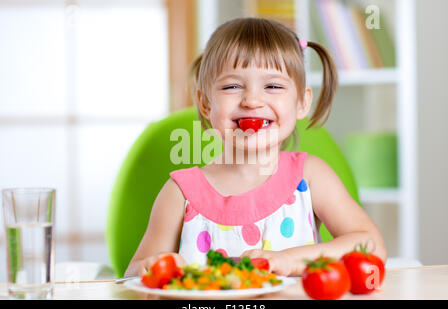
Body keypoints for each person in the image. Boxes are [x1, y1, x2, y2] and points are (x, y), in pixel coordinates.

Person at [125, 17, 387, 277]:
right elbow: (132, 276)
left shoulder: (310, 176)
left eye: (273, 86)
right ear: (205, 104)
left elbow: (371, 247)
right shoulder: (180, 193)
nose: (252, 100)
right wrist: (150, 269)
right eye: (232, 86)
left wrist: (290, 261)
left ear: (301, 102)